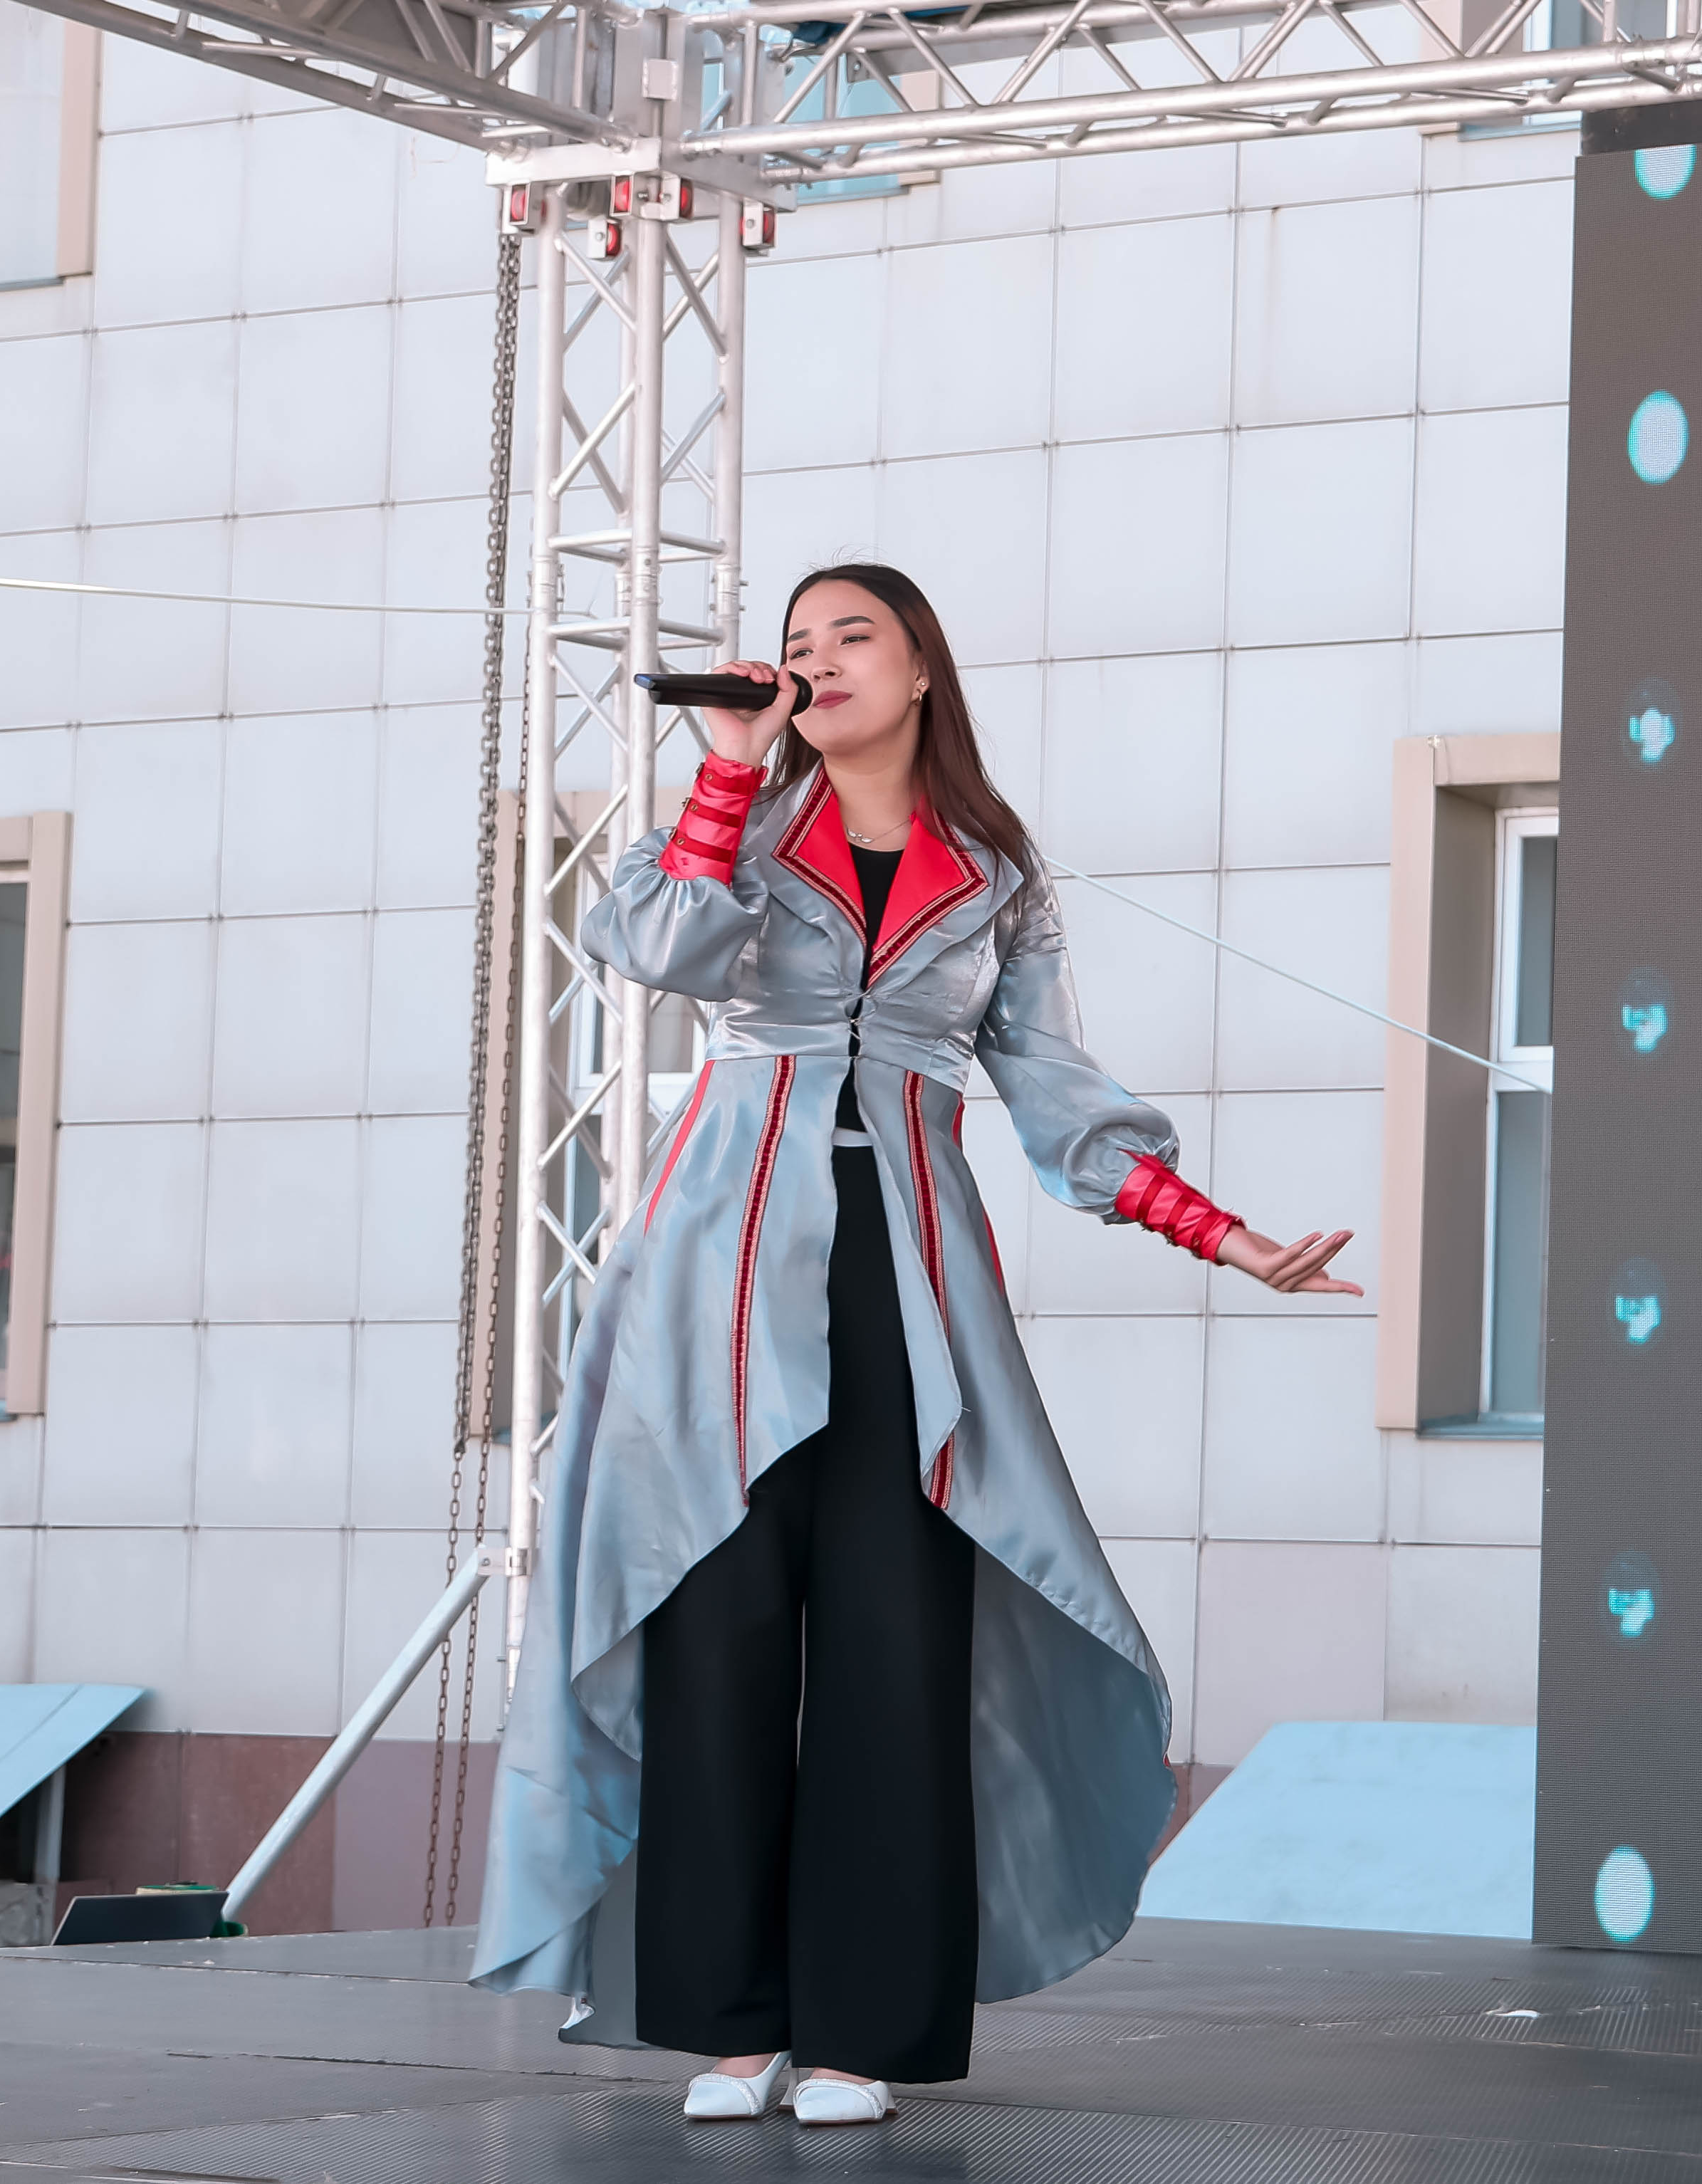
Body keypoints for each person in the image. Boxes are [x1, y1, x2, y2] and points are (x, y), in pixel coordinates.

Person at [472, 564, 1361, 2128]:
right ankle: (732, 2026)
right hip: (713, 1283)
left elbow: (1058, 1094)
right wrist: (729, 769)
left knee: (896, 1645)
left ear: (922, 668)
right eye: (796, 643)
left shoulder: (996, 873)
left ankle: (859, 2034)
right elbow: (662, 950)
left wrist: (1225, 1237)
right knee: (719, 1629)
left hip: (910, 1279)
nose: (816, 661)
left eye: (851, 636)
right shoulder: (735, 820)